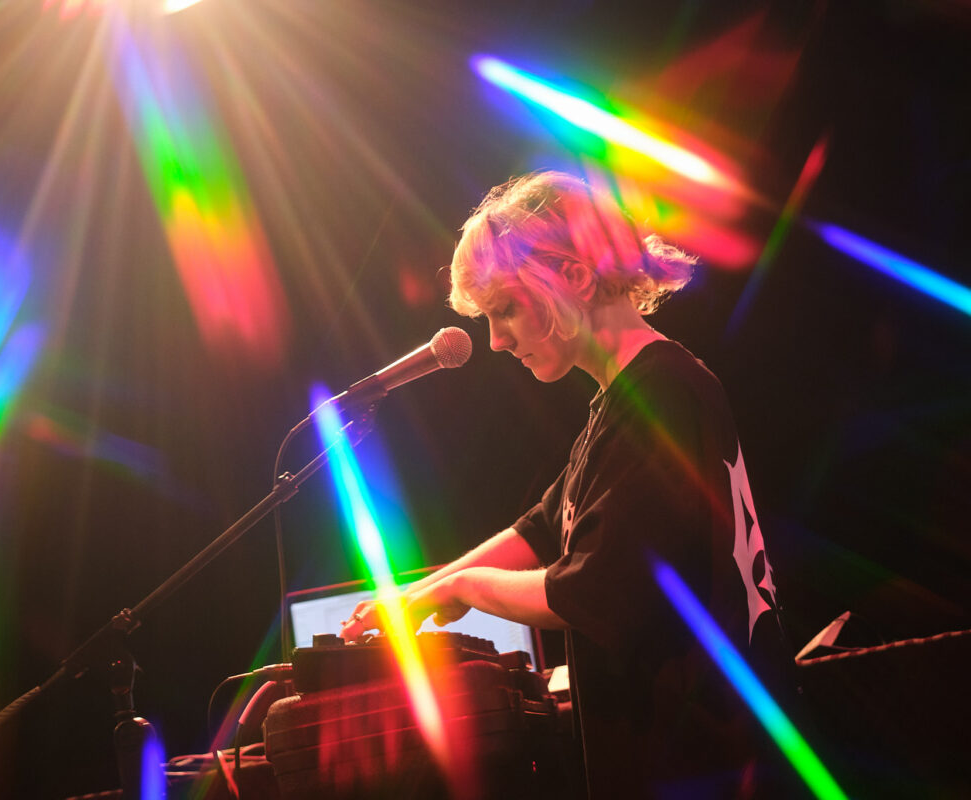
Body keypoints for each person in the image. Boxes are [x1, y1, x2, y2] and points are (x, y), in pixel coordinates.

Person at [339, 171, 795, 798]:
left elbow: (586, 590)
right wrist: (423, 591)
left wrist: (466, 588)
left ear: (575, 277)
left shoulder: (661, 396)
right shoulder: (623, 402)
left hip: (707, 764)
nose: (497, 341)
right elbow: (542, 528)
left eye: (506, 310)